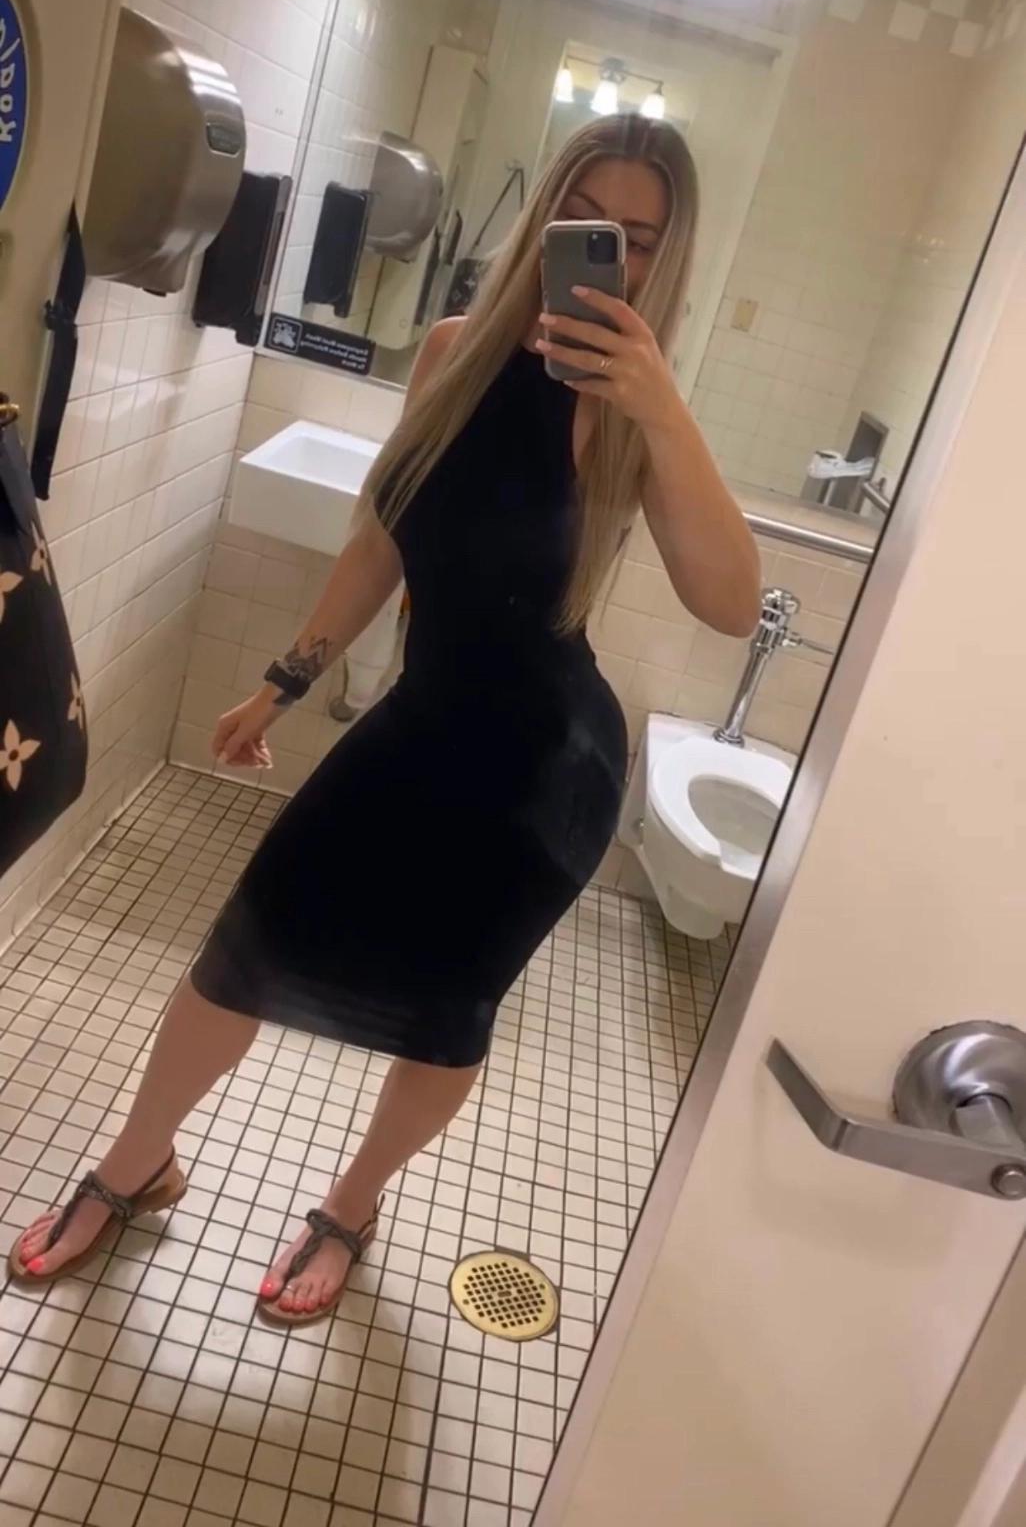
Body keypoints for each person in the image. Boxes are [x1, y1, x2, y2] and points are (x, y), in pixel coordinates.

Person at [10, 113, 760, 1324]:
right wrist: (286, 678)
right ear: (544, 216)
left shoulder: (635, 416)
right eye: (584, 220)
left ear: (665, 258)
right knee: (241, 953)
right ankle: (136, 1163)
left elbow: (729, 603)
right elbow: (382, 536)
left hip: (542, 776)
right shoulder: (452, 354)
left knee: (444, 1016)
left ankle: (350, 1207)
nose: (606, 251)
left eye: (636, 238)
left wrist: (663, 408)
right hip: (419, 725)